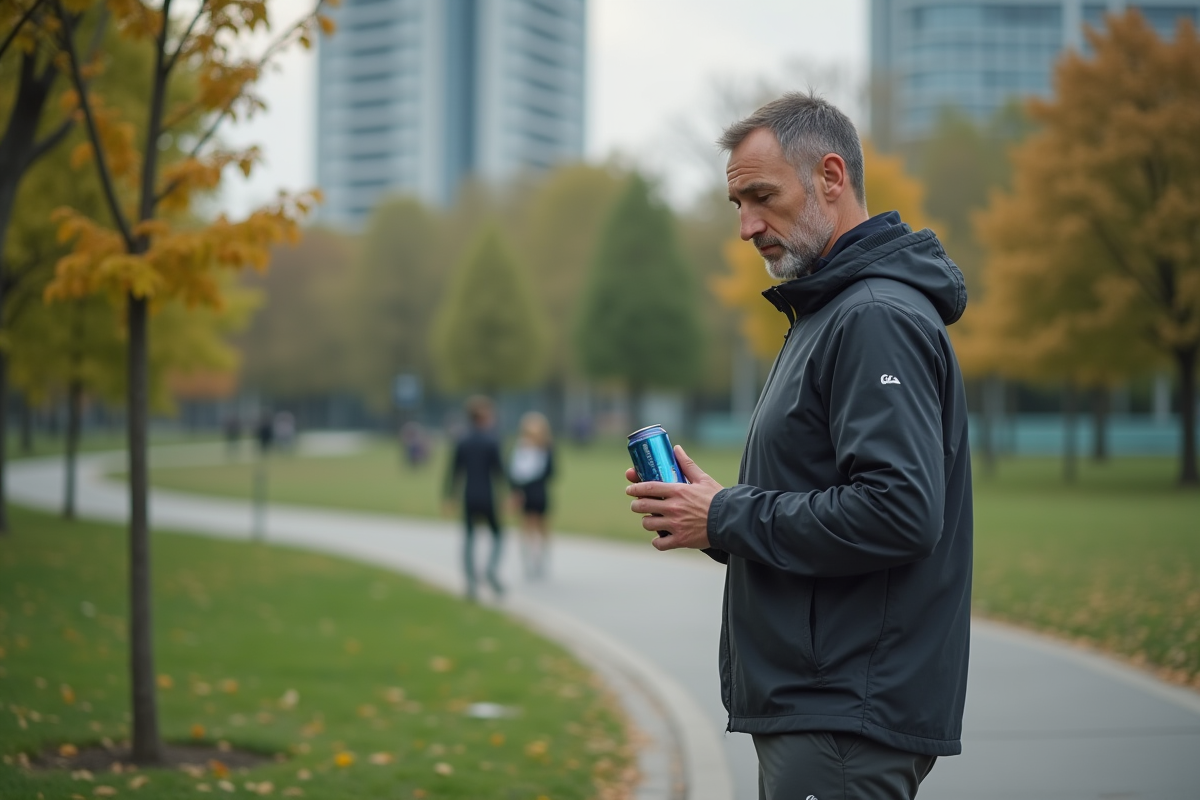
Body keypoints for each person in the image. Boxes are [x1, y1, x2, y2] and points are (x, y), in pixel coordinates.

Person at [624, 92, 972, 799]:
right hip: (821, 708)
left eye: (762, 197)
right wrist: (712, 512)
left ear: (832, 177)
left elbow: (899, 510)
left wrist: (728, 516)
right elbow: (830, 495)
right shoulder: (830, 310)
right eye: (737, 205)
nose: (748, 226)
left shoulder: (873, 316)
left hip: (844, 714)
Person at [444, 395, 506, 600]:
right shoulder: (491, 440)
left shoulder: (462, 440)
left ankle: (471, 584)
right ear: (482, 417)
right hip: (487, 495)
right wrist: (510, 493)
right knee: (497, 535)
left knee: (469, 538)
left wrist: (449, 496)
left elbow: (454, 471)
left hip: (468, 495)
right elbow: (500, 471)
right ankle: (490, 569)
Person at [508, 411, 556, 579]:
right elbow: (513, 473)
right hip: (525, 493)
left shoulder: (546, 448)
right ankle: (529, 559)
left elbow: (551, 472)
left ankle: (541, 559)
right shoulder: (521, 447)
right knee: (527, 525)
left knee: (542, 526)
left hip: (539, 492)